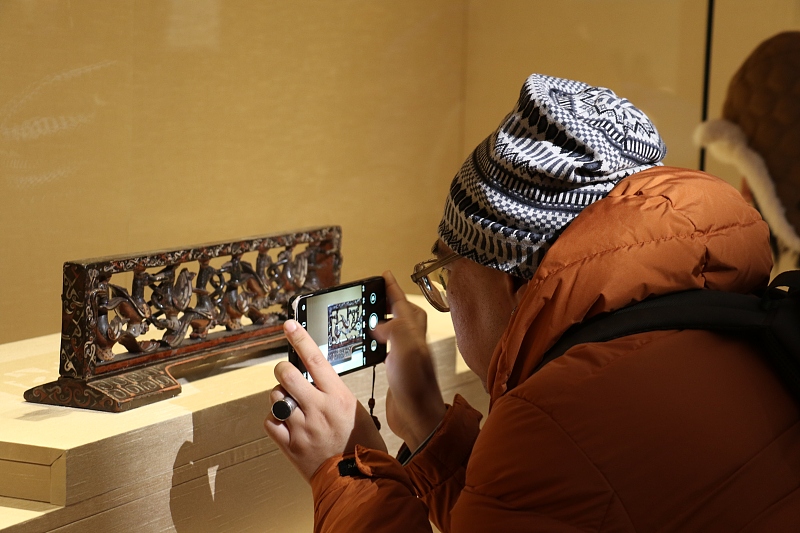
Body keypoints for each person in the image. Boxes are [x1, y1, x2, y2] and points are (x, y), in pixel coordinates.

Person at [264, 74, 800, 531]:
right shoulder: (712, 312)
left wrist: (348, 466)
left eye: (446, 274)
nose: (441, 301)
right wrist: (428, 422)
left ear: (509, 278)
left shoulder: (560, 419)